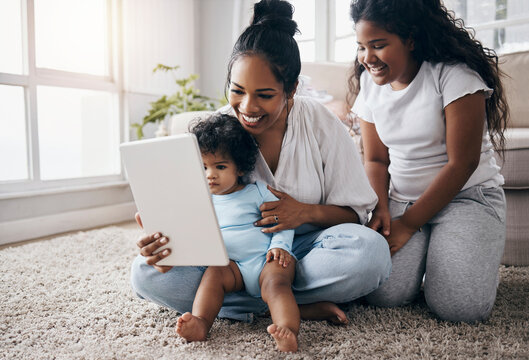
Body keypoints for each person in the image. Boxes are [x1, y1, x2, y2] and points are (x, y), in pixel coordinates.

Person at [131, 0, 391, 330]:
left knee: (371, 252)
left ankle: (246, 302)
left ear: (292, 89)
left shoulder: (320, 122)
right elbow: (195, 216)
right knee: (144, 274)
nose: (247, 107)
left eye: (265, 95)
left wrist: (304, 212)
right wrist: (166, 244)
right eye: (237, 91)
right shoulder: (216, 132)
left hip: (301, 252)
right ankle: (288, 303)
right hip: (229, 263)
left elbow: (355, 214)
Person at [349, 0, 508, 323]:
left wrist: (408, 225)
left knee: (461, 308)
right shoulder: (370, 85)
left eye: (378, 46)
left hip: (467, 197)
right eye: (362, 47)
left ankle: (466, 256)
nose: (368, 58)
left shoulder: (455, 76)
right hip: (402, 199)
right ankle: (439, 257)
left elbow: (463, 163)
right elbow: (377, 159)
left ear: (410, 39)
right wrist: (381, 207)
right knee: (383, 295)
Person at [175, 113, 299, 352]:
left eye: (220, 167)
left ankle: (287, 330)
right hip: (231, 267)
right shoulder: (201, 200)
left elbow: (285, 220)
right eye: (203, 167)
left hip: (267, 260)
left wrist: (280, 246)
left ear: (240, 167)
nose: (210, 174)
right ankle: (202, 322)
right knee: (213, 274)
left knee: (276, 284)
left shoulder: (258, 191)